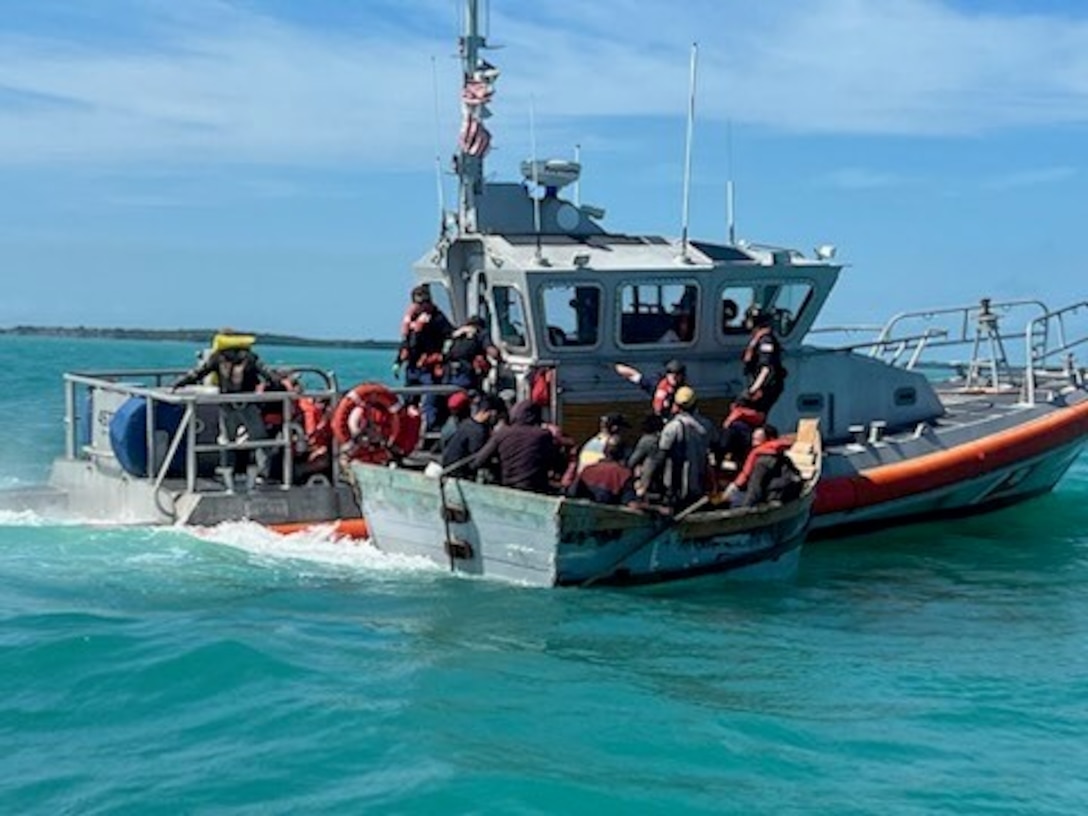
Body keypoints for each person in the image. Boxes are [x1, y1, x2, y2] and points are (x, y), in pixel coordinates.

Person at [172, 332, 282, 484]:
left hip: (228, 404)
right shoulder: (249, 357)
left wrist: (180, 383)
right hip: (246, 404)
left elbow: (198, 373)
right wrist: (280, 384)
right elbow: (268, 374)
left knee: (227, 441)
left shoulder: (218, 357)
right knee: (259, 440)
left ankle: (227, 472)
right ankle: (263, 474)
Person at [635, 386, 718, 509]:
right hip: (699, 486)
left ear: (677, 405)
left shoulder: (673, 427)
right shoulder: (706, 425)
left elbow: (660, 458)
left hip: (676, 490)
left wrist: (645, 484)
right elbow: (717, 445)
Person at [471, 398, 566, 492]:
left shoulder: (502, 433)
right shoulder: (543, 435)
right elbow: (559, 465)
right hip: (536, 488)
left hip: (508, 487)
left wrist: (499, 466)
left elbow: (478, 461)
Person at [394, 284, 453, 430]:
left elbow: (450, 337)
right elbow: (406, 342)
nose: (421, 306)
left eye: (423, 302)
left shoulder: (438, 319)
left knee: (430, 401)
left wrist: (440, 357)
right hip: (413, 367)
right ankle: (406, 429)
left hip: (429, 367)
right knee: (409, 400)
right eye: (418, 303)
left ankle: (430, 433)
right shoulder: (412, 318)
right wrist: (398, 361)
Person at [723, 425, 803, 507]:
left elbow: (755, 490)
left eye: (757, 439)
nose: (753, 441)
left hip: (775, 497)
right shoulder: (783, 457)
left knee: (734, 500)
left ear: (769, 439)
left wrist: (745, 509)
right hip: (789, 496)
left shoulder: (761, 462)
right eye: (753, 438)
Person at [566, 434, 637, 506]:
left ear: (604, 451)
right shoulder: (624, 475)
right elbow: (630, 503)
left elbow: (571, 494)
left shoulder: (587, 470)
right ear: (623, 453)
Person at [441, 394, 501, 479]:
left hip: (450, 470)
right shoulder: (478, 431)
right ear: (489, 412)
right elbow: (478, 460)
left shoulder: (466, 424)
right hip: (459, 475)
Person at [741, 306, 788, 414]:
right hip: (761, 386)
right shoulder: (759, 339)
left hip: (766, 387)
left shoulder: (766, 341)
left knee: (749, 410)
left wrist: (753, 390)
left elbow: (765, 368)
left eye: (748, 319)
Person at [613, 358, 688, 417]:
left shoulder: (685, 391)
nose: (674, 376)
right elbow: (635, 376)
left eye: (677, 374)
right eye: (671, 373)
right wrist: (614, 367)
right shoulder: (657, 384)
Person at [445, 315, 500, 393]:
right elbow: (492, 352)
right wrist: (499, 357)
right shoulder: (480, 332)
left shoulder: (456, 333)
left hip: (447, 374)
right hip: (467, 375)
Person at [719, 396, 767, 466]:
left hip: (736, 454)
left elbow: (723, 444)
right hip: (750, 457)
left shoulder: (733, 424)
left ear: (733, 406)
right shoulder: (758, 423)